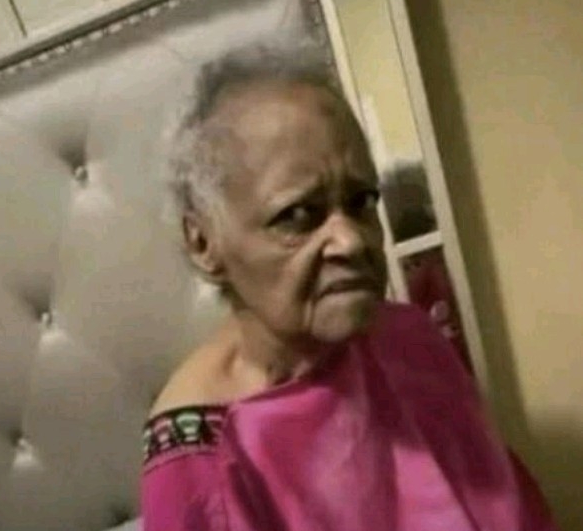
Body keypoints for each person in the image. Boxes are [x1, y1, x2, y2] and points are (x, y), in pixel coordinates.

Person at [141, 45, 557, 530]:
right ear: (202, 242)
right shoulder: (201, 460)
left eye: (361, 202)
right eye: (298, 215)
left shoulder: (409, 338)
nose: (352, 240)